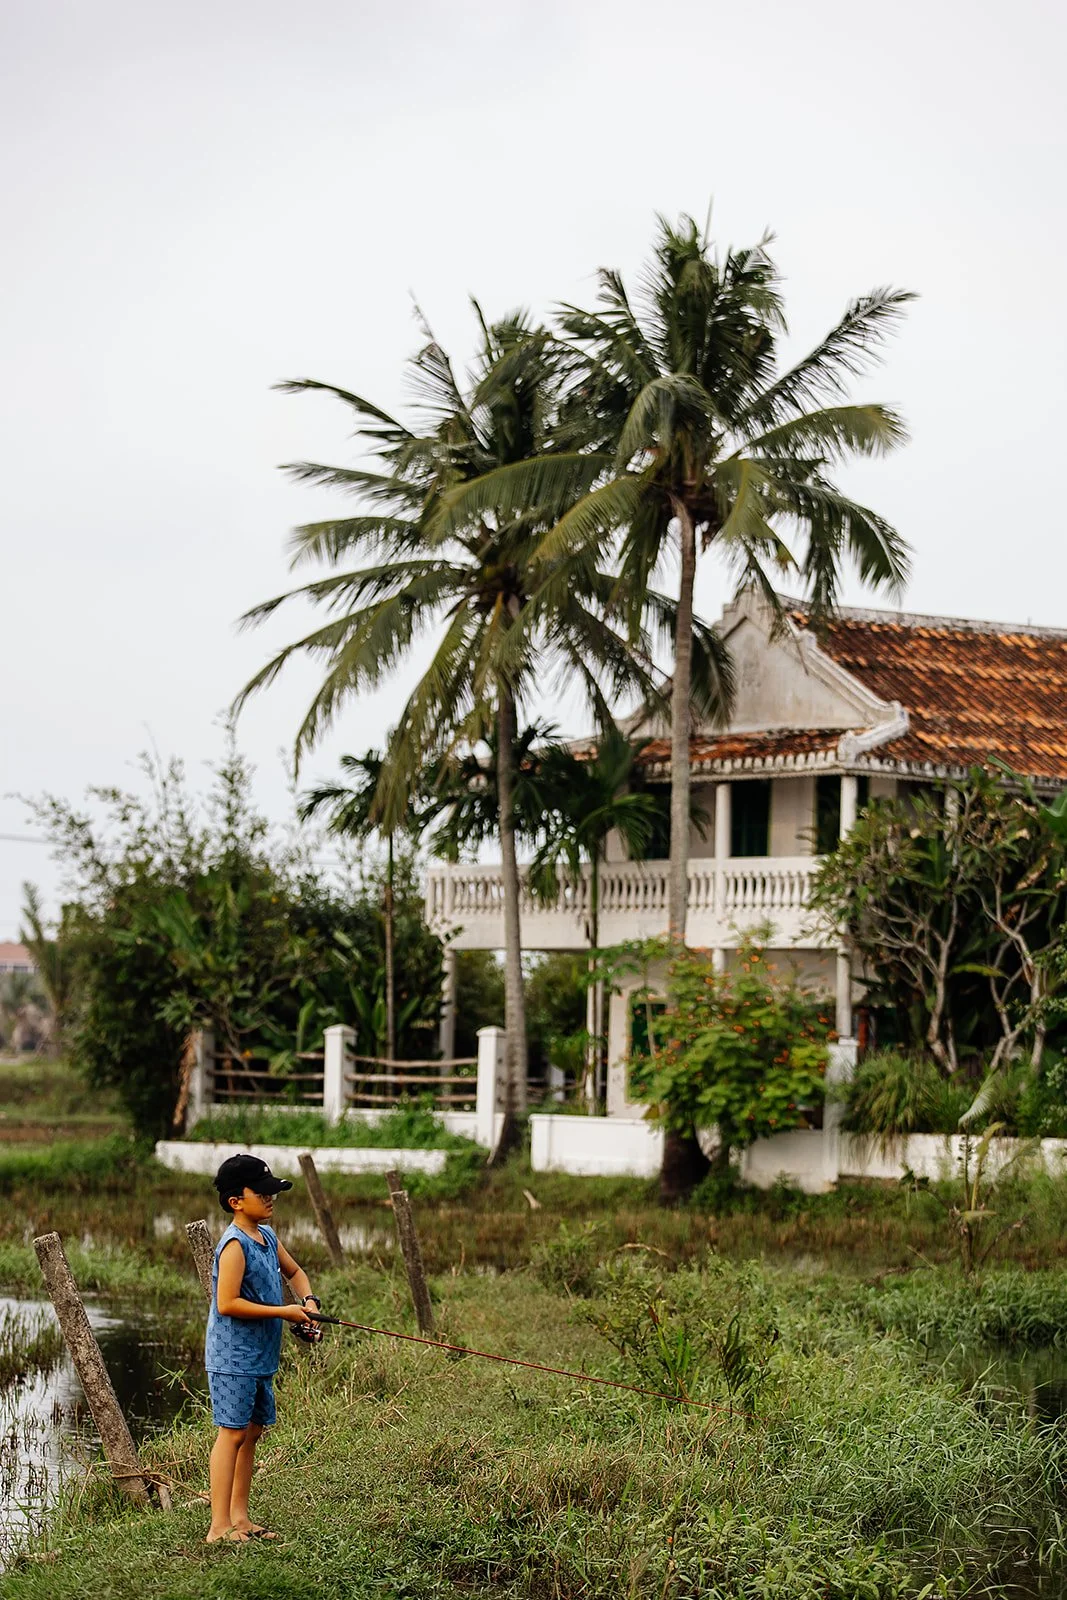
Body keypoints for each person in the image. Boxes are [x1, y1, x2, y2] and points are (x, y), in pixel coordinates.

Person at [204, 1152, 322, 1544]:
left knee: (251, 1432)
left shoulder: (267, 1237)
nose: (271, 1199)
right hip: (232, 1358)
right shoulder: (234, 1244)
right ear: (236, 1201)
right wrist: (285, 1312)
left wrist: (308, 1305)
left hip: (260, 1357)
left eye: (274, 1192)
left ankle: (240, 1517)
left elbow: (296, 1273)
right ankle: (217, 1526)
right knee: (231, 1434)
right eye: (263, 1193)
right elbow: (227, 1303)